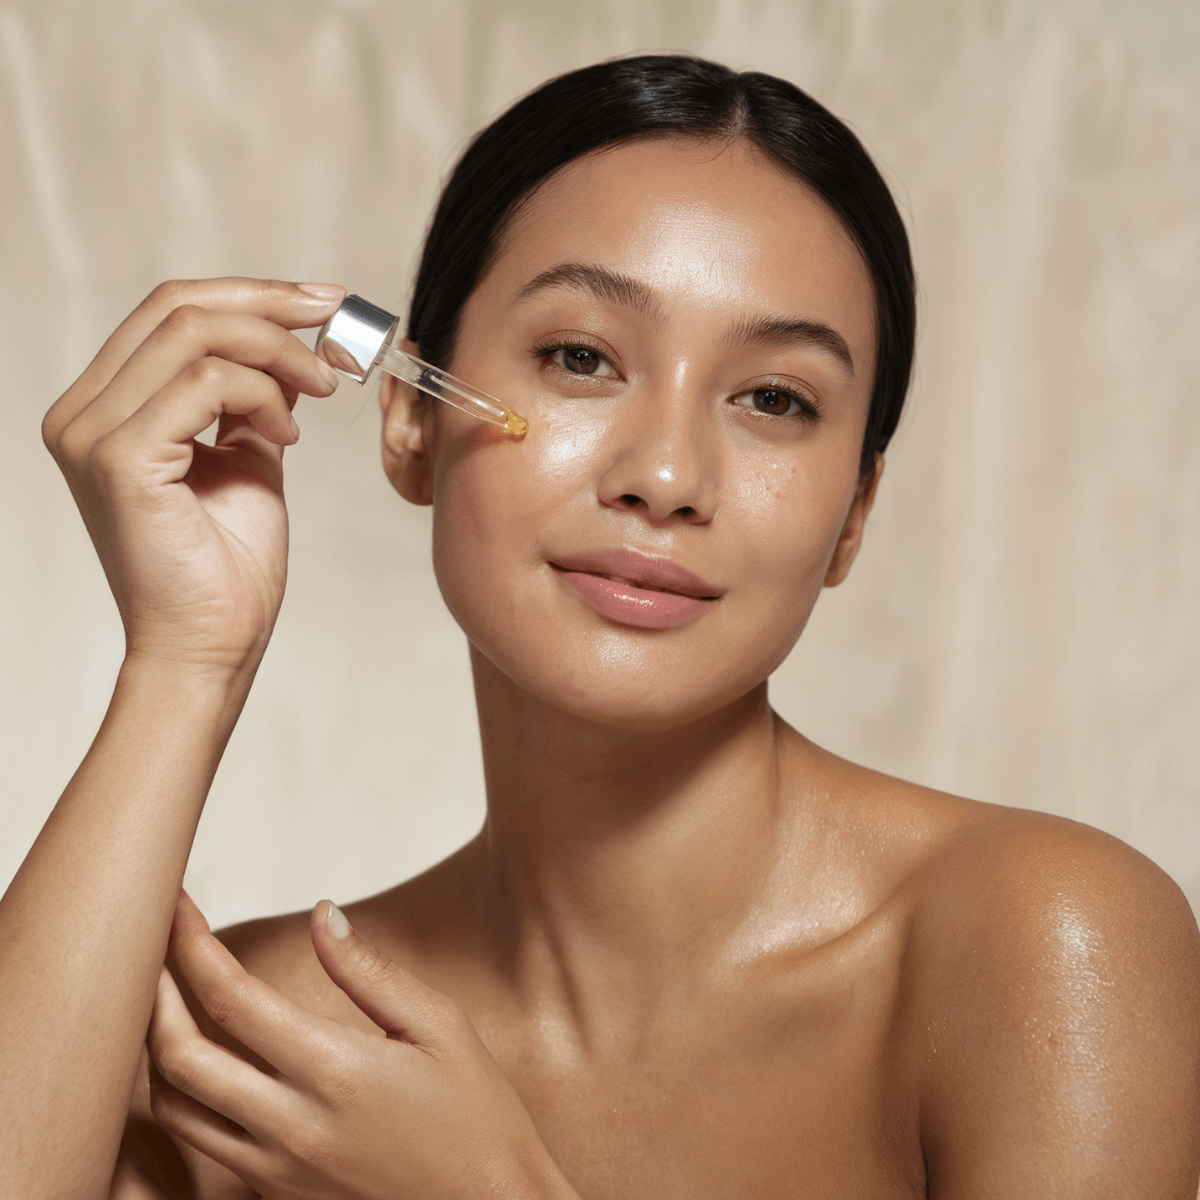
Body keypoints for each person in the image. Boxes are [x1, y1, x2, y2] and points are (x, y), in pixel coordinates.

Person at [2, 54, 1198, 1200]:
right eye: (582, 358)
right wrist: (185, 660)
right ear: (410, 418)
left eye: (775, 399)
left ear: (854, 515)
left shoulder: (1042, 946)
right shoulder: (274, 1043)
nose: (667, 474)